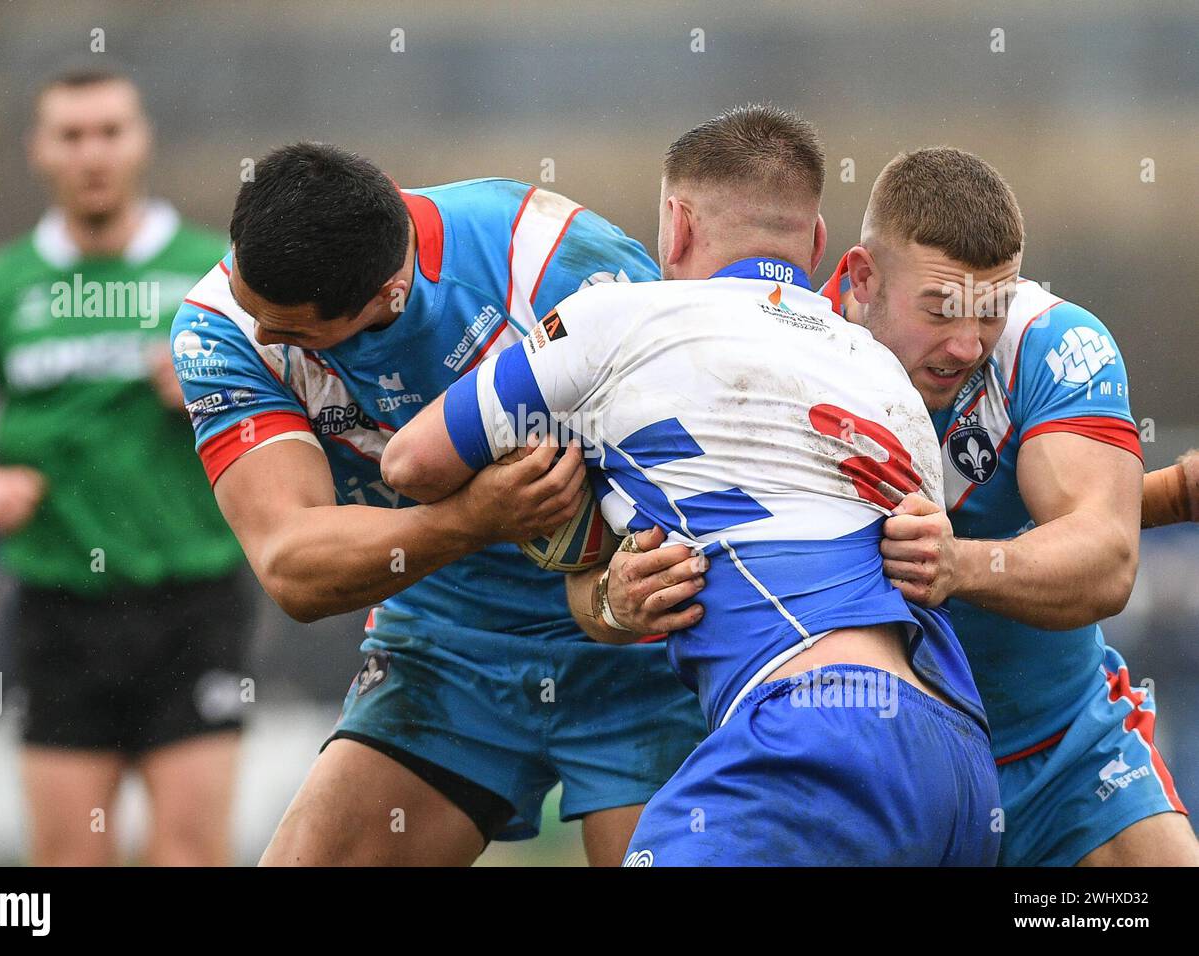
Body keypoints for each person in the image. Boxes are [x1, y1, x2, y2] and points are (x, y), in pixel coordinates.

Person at [382, 107, 1000, 866]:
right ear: (813, 246)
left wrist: (540, 481)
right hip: (960, 762)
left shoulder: (618, 320)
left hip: (811, 736)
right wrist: (613, 591)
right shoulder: (885, 377)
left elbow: (411, 464)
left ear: (674, 227)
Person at [170, 144, 706, 866]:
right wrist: (471, 519)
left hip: (637, 643)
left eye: (294, 331)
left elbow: (711, 440)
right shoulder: (221, 327)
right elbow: (291, 564)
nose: (263, 334)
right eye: (244, 293)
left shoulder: (549, 261)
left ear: (389, 292)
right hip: (447, 644)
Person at [0, 66, 249, 865]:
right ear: (40, 151)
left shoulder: (219, 279)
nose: (92, 152)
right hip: (60, 606)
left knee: (189, 854)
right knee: (66, 861)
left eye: (109, 131)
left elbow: (301, 402)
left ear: (141, 142)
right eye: (71, 134)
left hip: (192, 601)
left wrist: (215, 383)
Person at [820, 147, 1199, 866]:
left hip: (1066, 761)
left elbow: (1104, 560)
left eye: (990, 310)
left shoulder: (1052, 344)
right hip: (877, 777)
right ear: (864, 279)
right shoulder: (790, 360)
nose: (967, 344)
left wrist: (957, 564)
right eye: (940, 311)